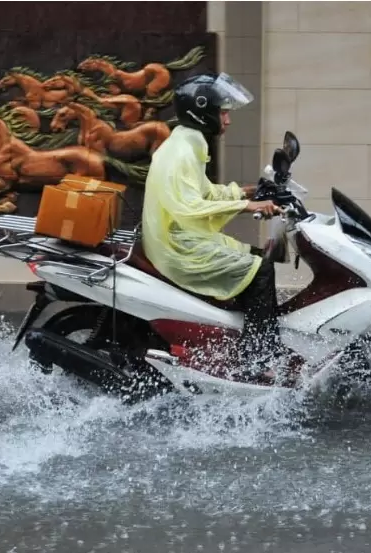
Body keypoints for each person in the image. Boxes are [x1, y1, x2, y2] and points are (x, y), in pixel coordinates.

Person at [140, 72, 291, 381]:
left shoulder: (187, 142)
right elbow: (190, 207)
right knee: (261, 272)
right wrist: (247, 206)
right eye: (223, 112)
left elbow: (204, 193)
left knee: (258, 260)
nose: (228, 120)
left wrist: (246, 191)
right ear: (203, 112)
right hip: (178, 248)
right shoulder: (182, 150)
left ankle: (237, 341)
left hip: (180, 239)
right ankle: (258, 362)